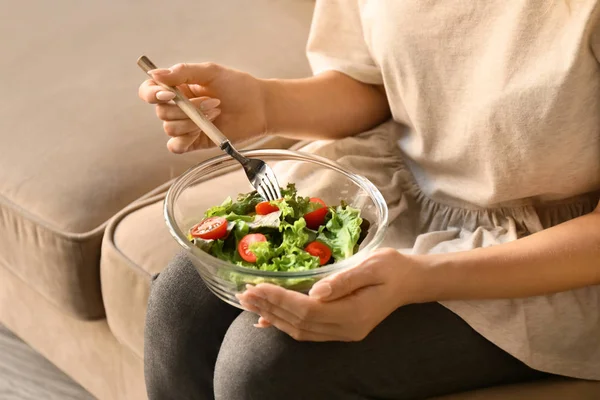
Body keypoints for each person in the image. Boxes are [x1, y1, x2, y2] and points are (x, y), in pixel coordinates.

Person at [138, 1, 600, 399]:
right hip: (405, 189)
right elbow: (377, 83)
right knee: (182, 301)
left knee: (262, 364)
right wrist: (263, 104)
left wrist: (422, 280)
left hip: (554, 256)